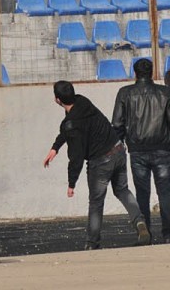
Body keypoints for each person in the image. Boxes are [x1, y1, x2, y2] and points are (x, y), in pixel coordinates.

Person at [43, 80, 150, 249]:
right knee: (122, 190)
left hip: (100, 161)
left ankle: (92, 242)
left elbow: (76, 156)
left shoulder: (71, 123)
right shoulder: (83, 102)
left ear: (57, 100)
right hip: (118, 149)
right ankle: (139, 222)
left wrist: (71, 183)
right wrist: (55, 148)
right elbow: (68, 129)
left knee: (96, 202)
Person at [111, 58, 170, 242]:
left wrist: (119, 145)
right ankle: (168, 233)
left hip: (137, 150)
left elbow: (117, 123)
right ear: (152, 73)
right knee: (165, 192)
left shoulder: (125, 93)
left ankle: (145, 232)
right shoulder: (165, 92)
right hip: (162, 148)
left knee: (142, 193)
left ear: (135, 73)